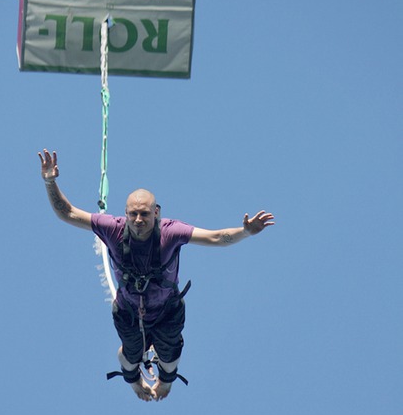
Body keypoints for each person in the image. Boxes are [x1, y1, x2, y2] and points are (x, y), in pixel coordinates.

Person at [38, 149, 275, 402]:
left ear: (157, 212)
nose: (139, 219)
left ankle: (166, 379)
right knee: (129, 356)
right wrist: (50, 182)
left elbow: (216, 237)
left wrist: (245, 232)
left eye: (145, 213)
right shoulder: (113, 230)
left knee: (170, 357)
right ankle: (134, 380)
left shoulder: (171, 232)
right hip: (129, 312)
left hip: (166, 311)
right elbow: (68, 213)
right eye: (133, 214)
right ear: (125, 213)